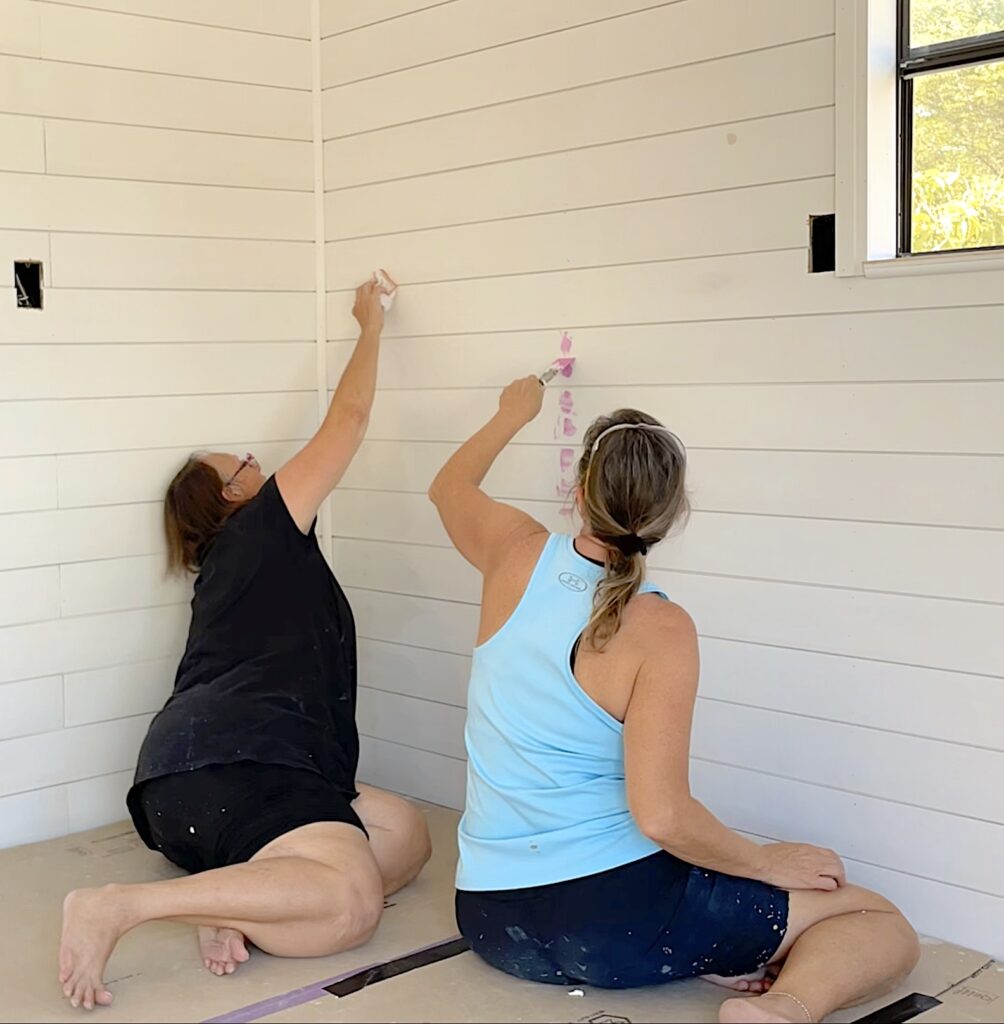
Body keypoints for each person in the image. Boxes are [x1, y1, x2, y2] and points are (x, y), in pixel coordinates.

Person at [428, 378, 919, 1024]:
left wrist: (510, 414)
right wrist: (767, 862)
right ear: (673, 514)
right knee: (880, 921)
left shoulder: (511, 552)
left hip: (492, 920)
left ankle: (716, 952)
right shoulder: (660, 627)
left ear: (578, 492)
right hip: (617, 924)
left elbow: (447, 487)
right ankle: (783, 1011)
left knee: (705, 898)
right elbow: (661, 816)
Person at [58, 274, 431, 1012]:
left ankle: (234, 902)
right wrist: (370, 326)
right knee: (352, 907)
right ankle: (119, 907)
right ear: (233, 496)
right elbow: (348, 421)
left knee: (406, 835)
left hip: (211, 781)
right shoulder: (261, 531)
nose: (261, 467)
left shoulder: (242, 564)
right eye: (247, 467)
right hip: (229, 769)